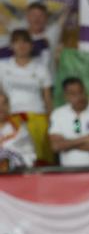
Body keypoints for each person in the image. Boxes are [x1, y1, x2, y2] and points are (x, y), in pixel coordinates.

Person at [0, 29, 53, 164]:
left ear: (31, 45)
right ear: (11, 46)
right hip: (11, 119)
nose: (21, 45)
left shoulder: (41, 68)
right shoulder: (2, 67)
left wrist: (51, 120)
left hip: (38, 117)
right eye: (17, 42)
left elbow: (47, 98)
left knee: (40, 159)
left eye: (25, 41)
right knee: (12, 157)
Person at [48, 77, 89, 168]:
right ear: (66, 96)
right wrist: (85, 139)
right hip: (67, 171)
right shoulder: (58, 114)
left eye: (81, 92)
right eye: (73, 94)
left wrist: (66, 145)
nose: (79, 97)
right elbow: (55, 146)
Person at [0, 89, 35, 171]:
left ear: (9, 106)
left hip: (14, 176)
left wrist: (11, 162)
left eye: (4, 103)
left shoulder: (21, 130)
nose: (0, 107)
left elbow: (30, 156)